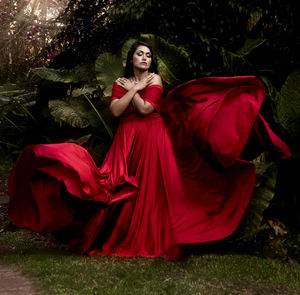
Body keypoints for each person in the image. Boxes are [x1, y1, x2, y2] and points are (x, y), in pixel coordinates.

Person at [8, 41, 291, 259]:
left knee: (150, 189)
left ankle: (146, 236)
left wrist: (138, 88)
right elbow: (118, 111)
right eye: (139, 54)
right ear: (131, 59)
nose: (144, 58)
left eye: (148, 55)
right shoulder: (123, 83)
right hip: (127, 139)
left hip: (153, 138)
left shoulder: (155, 80)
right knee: (113, 183)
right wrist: (133, 88)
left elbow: (145, 109)